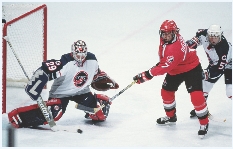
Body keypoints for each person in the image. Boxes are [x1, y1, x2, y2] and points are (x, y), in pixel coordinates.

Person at [8, 40, 119, 128]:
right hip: (61, 93)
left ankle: (90, 108)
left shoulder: (92, 60)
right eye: (77, 54)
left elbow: (96, 74)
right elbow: (46, 70)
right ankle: (20, 117)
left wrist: (107, 80)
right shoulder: (66, 62)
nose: (80, 58)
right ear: (72, 52)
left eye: (82, 55)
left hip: (81, 91)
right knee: (54, 114)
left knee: (100, 114)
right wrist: (36, 83)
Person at [133, 20, 209, 139]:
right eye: (164, 33)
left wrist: (145, 75)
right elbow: (166, 61)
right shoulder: (168, 38)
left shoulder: (175, 48)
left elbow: (164, 67)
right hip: (175, 69)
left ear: (174, 32)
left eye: (169, 33)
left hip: (191, 68)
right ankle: (171, 117)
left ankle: (204, 124)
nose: (166, 36)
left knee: (196, 97)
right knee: (166, 92)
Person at [186, 25, 232, 117]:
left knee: (230, 93)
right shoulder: (203, 34)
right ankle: (202, 109)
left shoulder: (223, 49)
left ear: (220, 36)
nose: (213, 40)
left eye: (216, 37)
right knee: (203, 88)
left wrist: (204, 74)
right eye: (211, 37)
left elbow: (218, 70)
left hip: (229, 65)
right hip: (215, 65)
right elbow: (190, 44)